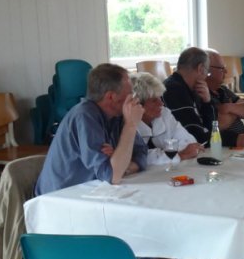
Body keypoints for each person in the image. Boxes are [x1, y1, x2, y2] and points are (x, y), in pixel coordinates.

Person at [35, 63, 146, 196]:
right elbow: (112, 175)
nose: (134, 98)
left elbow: (142, 153)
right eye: (130, 93)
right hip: (60, 197)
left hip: (91, 191)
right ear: (111, 97)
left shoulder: (119, 114)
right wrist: (131, 126)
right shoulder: (85, 116)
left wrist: (122, 163)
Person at [130, 72, 202, 167]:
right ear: (137, 104)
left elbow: (189, 142)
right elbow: (137, 157)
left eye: (160, 98)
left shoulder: (164, 113)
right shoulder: (127, 125)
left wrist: (167, 156)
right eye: (154, 100)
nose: (161, 103)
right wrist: (179, 155)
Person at [206, 49, 244, 147]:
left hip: (241, 144)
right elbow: (220, 124)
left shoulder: (223, 90)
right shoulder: (203, 94)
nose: (226, 71)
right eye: (221, 68)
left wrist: (228, 107)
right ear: (207, 70)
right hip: (224, 146)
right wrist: (237, 111)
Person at [163, 47, 216, 146]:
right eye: (207, 72)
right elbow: (197, 136)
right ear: (200, 68)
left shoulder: (191, 88)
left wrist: (207, 102)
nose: (206, 77)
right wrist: (235, 138)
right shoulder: (174, 90)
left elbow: (211, 129)